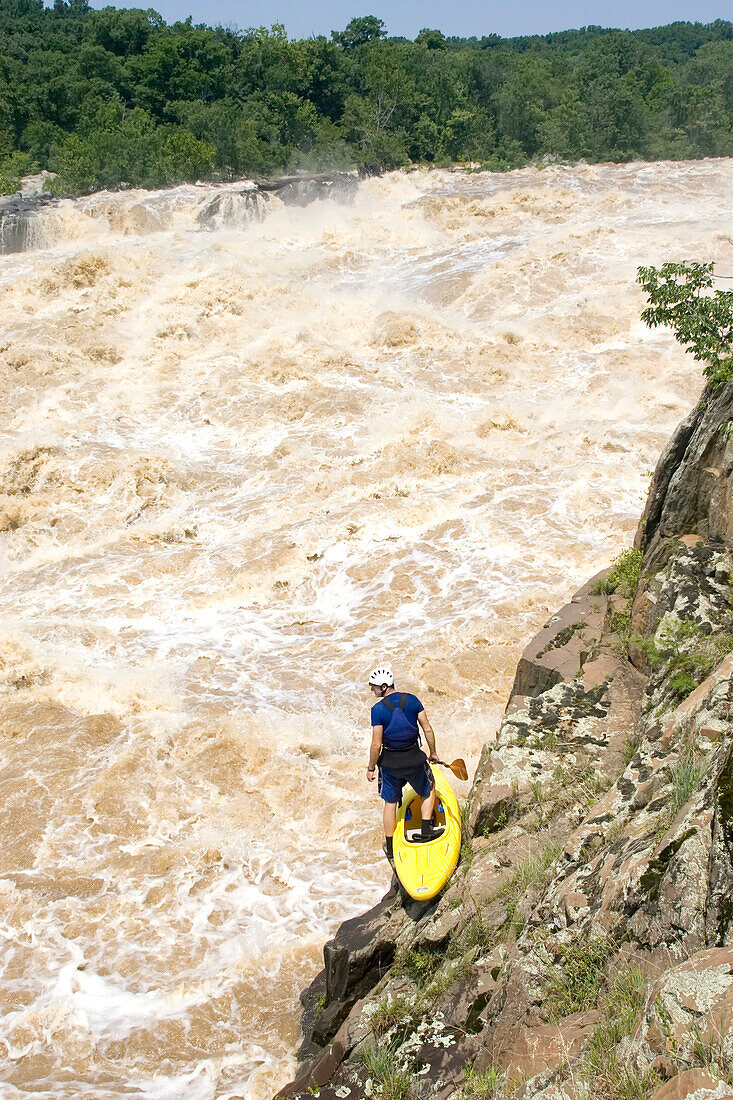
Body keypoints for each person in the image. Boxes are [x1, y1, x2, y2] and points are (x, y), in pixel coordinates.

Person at [366, 665, 443, 861]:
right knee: (428, 789)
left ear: (383, 687)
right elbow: (427, 730)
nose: (371, 690)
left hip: (390, 764)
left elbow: (376, 745)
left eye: (373, 686)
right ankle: (426, 830)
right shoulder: (413, 700)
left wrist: (371, 768)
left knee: (390, 803)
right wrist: (433, 753)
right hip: (413, 758)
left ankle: (391, 847)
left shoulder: (377, 710)